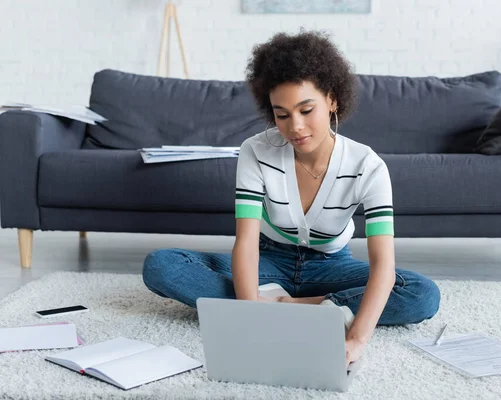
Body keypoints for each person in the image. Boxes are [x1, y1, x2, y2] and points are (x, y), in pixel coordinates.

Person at [143, 30, 440, 367]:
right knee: (161, 266)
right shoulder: (256, 151)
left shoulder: (367, 167)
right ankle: (297, 304)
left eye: (306, 109)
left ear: (332, 100)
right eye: (282, 115)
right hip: (269, 262)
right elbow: (247, 242)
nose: (295, 126)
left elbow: (383, 265)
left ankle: (295, 306)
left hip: (332, 267)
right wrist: (251, 311)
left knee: (421, 294)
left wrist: (356, 339)